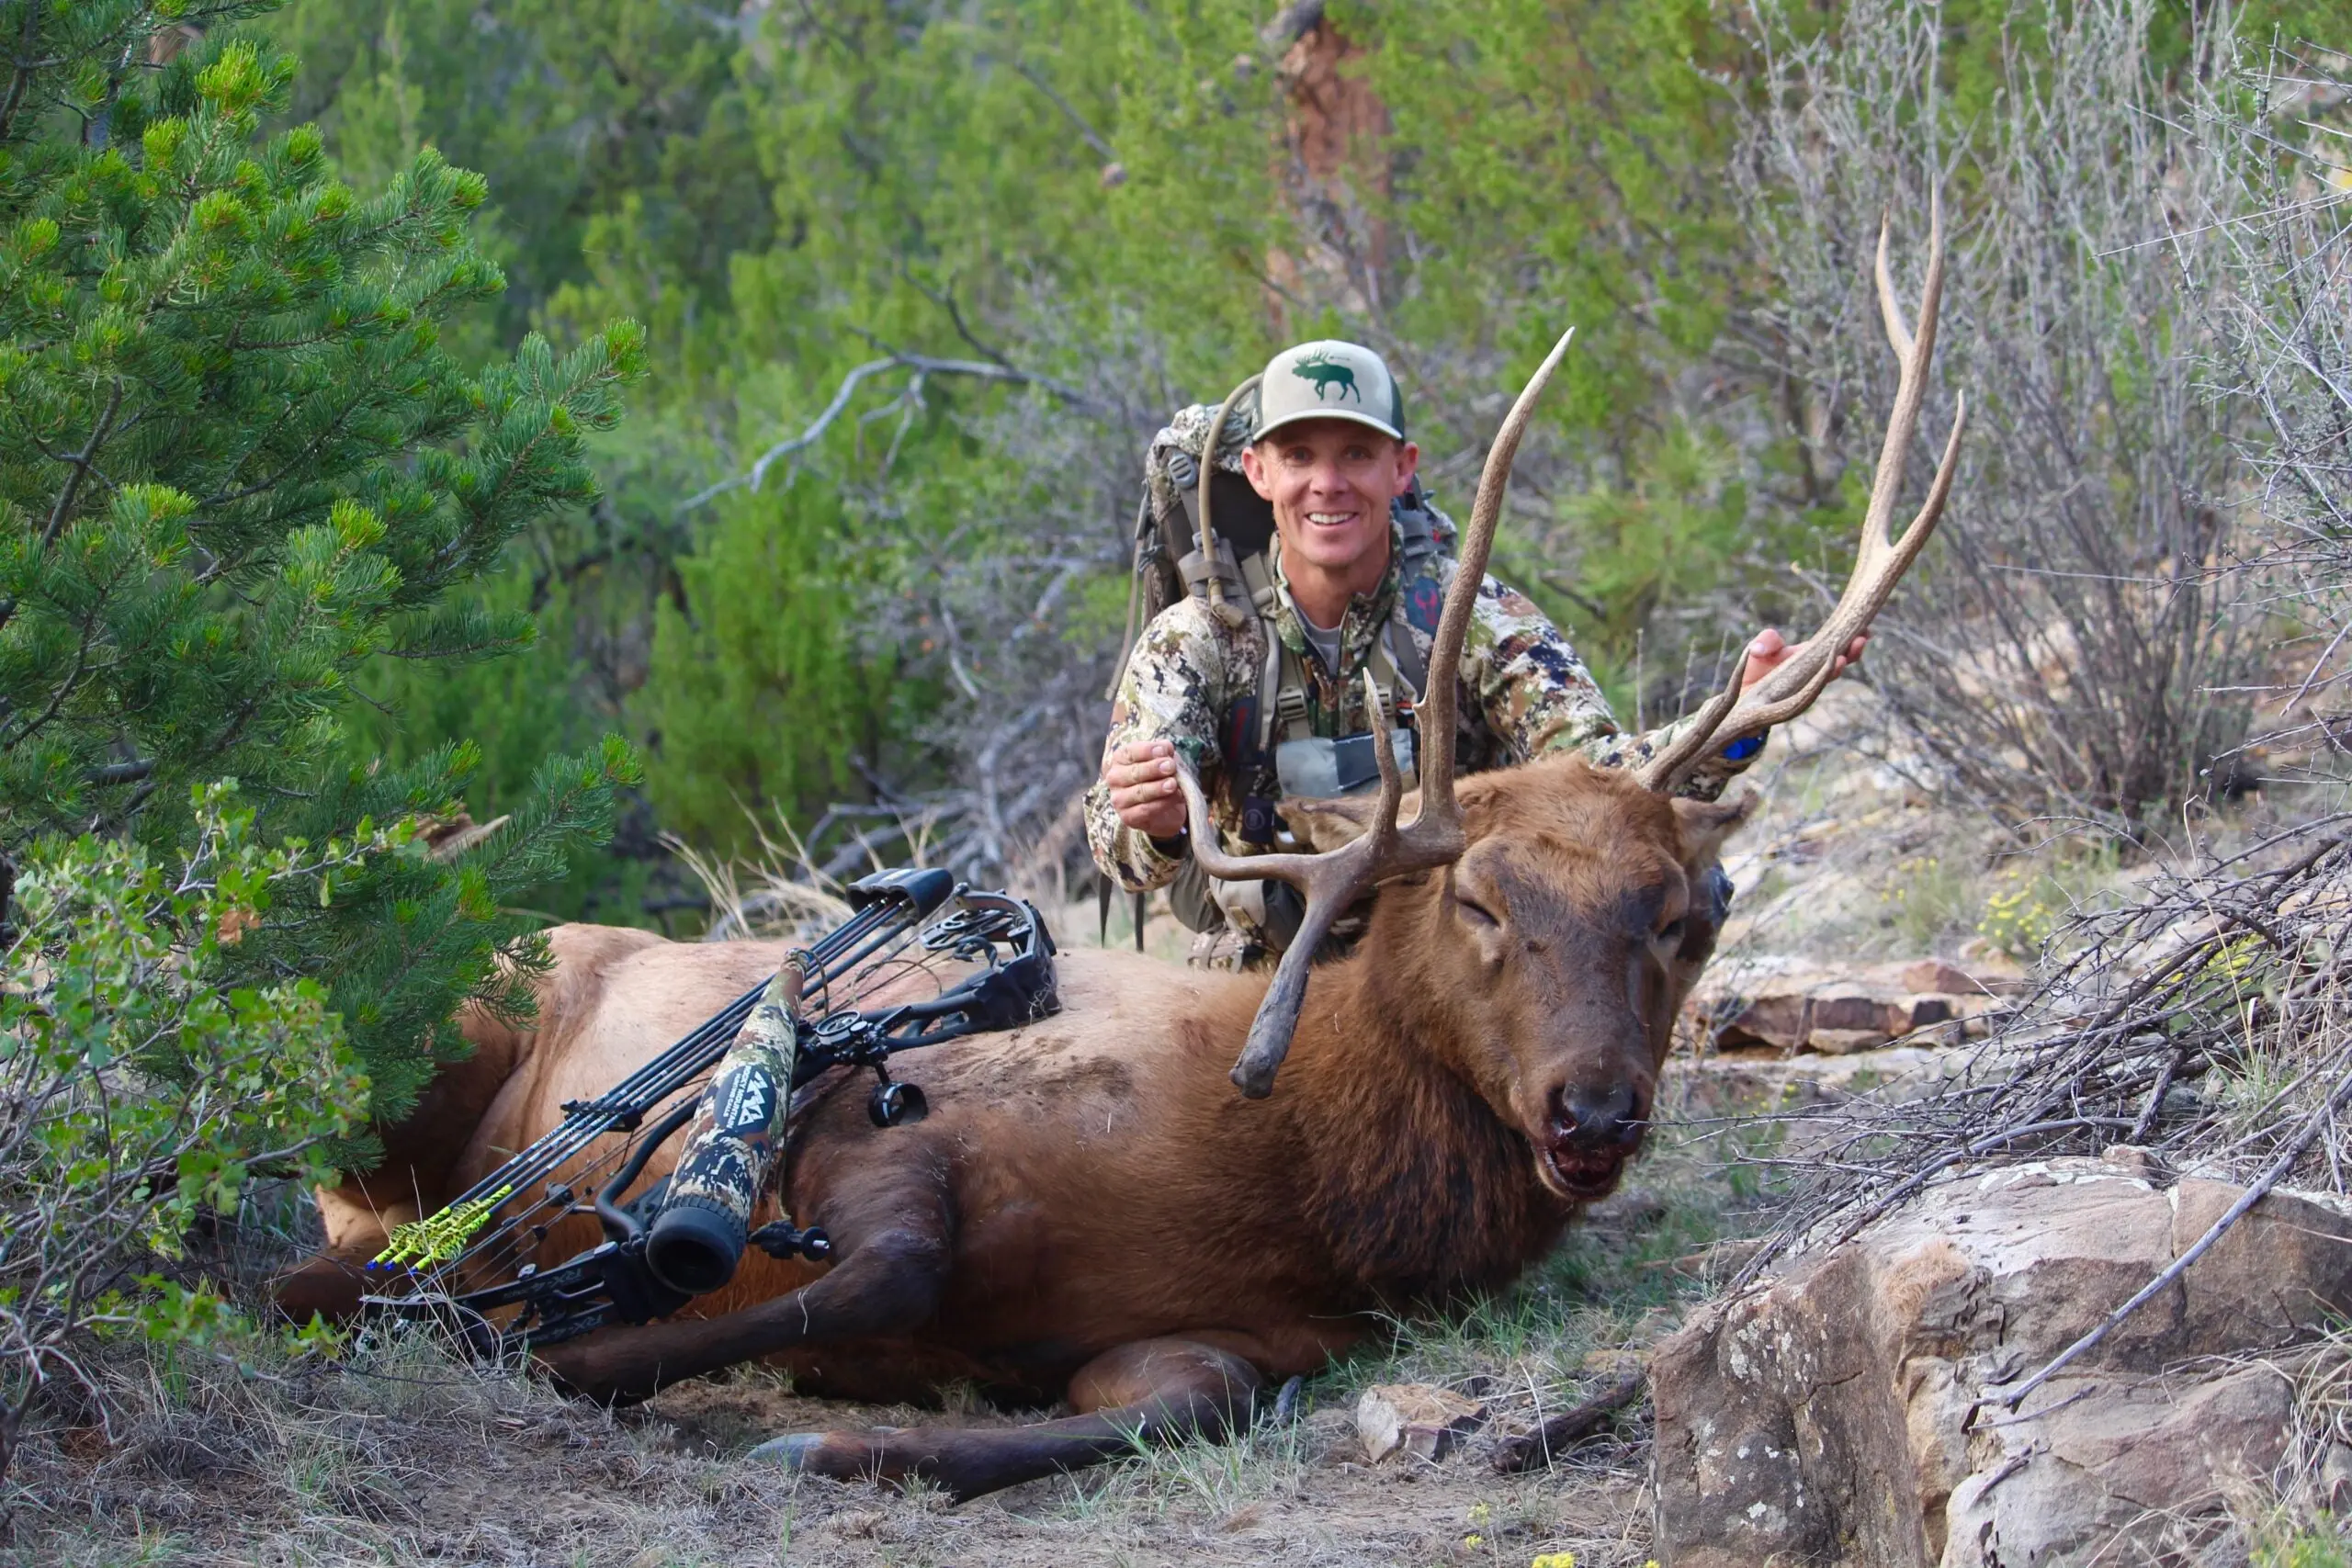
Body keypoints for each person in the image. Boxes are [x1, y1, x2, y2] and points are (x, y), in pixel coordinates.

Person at [1084, 338, 1860, 965]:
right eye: (1300, 458)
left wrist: (1745, 713)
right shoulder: (1198, 639)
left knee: (1685, 885)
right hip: (1268, 965)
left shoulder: (1473, 615)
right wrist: (1146, 822)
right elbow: (1120, 852)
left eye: (1357, 454)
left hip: (1456, 965)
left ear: (1402, 467)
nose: (1328, 484)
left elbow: (1606, 781)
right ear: (1258, 472)